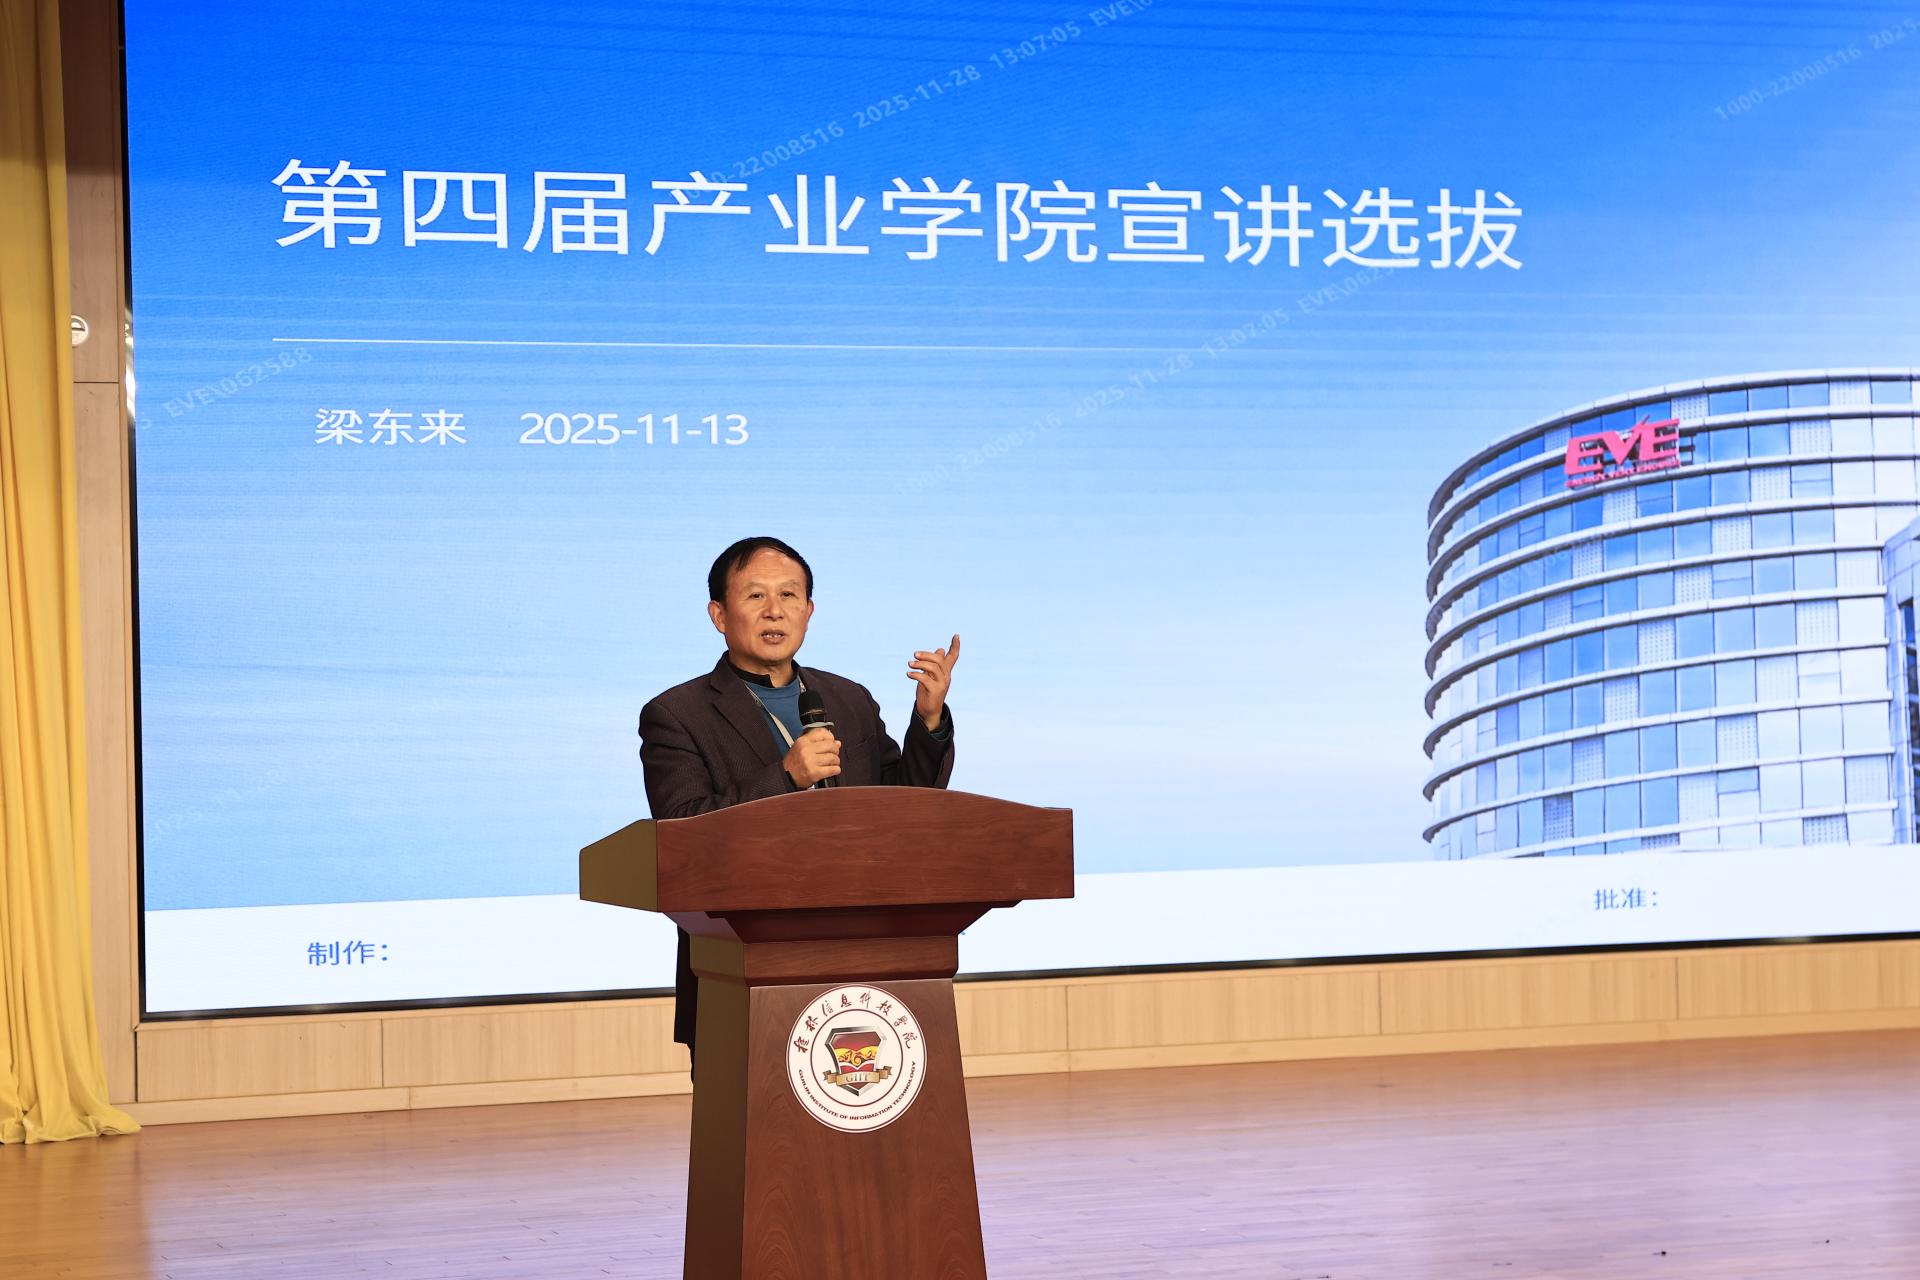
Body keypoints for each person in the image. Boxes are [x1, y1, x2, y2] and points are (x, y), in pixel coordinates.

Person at [637, 536, 960, 1063]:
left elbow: (905, 807)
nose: (775, 610)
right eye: (755, 595)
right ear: (719, 615)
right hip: (743, 964)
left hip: (867, 954)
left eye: (789, 595)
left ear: (808, 611)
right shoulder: (677, 714)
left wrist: (928, 720)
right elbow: (682, 832)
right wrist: (785, 777)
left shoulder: (848, 698)